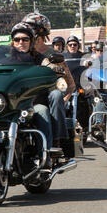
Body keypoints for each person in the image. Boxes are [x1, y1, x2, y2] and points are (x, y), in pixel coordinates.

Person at [22, 13, 75, 150]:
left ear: (40, 31)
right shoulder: (17, 52)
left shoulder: (53, 54)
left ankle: (56, 141)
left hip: (46, 96)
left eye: (31, 27)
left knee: (56, 95)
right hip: (21, 95)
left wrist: (64, 101)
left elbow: (71, 84)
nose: (26, 30)